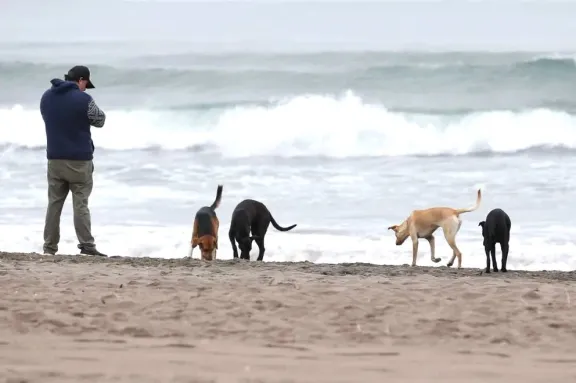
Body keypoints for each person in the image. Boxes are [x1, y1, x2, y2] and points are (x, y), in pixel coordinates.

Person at [40, 65, 107, 257]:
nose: (86, 88)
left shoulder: (46, 96)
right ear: (81, 80)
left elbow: (48, 118)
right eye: (86, 84)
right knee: (80, 203)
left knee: (54, 203)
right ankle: (86, 245)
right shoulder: (83, 99)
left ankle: (49, 247)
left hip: (54, 158)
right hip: (79, 160)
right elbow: (100, 120)